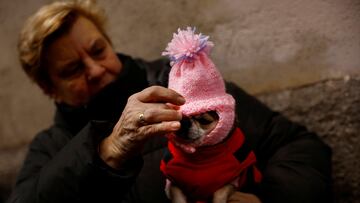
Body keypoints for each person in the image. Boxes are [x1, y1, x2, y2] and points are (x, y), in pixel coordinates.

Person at [8, 0, 332, 203]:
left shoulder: (190, 86)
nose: (95, 70)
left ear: (110, 43)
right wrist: (107, 152)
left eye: (98, 51)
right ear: (48, 87)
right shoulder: (51, 146)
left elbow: (301, 146)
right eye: (72, 69)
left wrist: (264, 199)